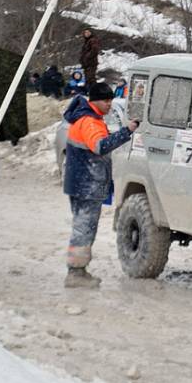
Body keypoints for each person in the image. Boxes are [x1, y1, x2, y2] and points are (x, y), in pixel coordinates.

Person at [62, 82, 138, 288]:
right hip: (86, 184)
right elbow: (100, 146)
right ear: (94, 100)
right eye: (105, 100)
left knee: (83, 226)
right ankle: (76, 273)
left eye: (111, 100)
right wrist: (127, 131)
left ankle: (78, 270)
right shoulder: (89, 121)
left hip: (83, 183)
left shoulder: (88, 118)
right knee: (84, 228)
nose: (109, 104)